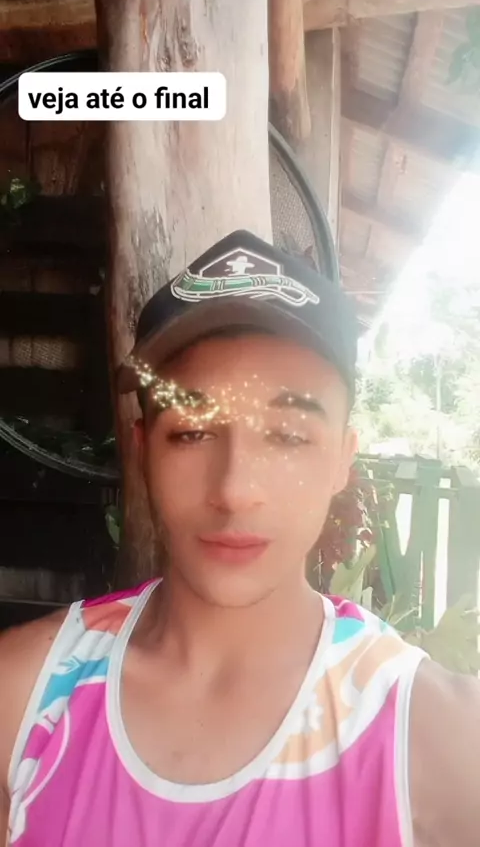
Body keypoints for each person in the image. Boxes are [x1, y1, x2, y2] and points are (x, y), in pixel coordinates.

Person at [0, 230, 479, 847]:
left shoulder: (434, 743)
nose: (234, 490)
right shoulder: (23, 699)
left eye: (289, 436)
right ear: (142, 450)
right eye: (192, 433)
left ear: (342, 459)